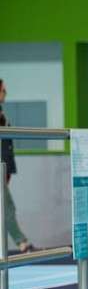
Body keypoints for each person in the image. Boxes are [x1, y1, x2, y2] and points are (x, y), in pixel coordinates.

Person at [1, 79, 35, 254]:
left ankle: (22, 242)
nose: (5, 93)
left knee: (6, 206)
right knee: (6, 206)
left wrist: (8, 169)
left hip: (3, 167)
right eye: (3, 90)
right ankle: (22, 242)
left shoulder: (3, 114)